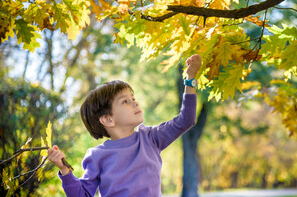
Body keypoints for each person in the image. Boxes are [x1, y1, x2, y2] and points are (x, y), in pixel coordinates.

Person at [47, 54, 202, 197]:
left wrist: (191, 78)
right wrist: (64, 170)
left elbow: (186, 120)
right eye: (125, 101)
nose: (134, 102)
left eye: (132, 98)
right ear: (108, 120)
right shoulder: (97, 156)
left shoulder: (151, 138)